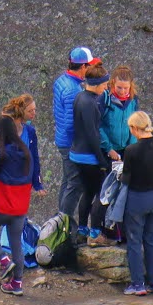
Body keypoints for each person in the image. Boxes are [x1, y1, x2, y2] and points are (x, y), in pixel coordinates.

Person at [0, 113, 37, 295]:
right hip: (20, 208)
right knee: (16, 242)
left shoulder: (1, 154)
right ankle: (16, 284)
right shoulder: (25, 152)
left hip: (1, 205)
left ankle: (3, 260)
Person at [118, 111, 153, 294]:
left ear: (134, 128)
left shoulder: (131, 151)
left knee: (134, 240)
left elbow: (126, 177)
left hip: (137, 198)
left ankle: (138, 284)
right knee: (152, 238)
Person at [52, 46, 93, 231]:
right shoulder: (73, 91)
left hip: (62, 140)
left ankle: (60, 218)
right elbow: (71, 124)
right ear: (82, 66)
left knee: (67, 181)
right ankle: (64, 225)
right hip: (70, 144)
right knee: (75, 183)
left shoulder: (61, 81)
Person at [70, 63, 111, 246]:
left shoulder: (80, 97)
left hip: (77, 154)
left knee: (87, 192)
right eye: (104, 84)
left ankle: (82, 229)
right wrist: (101, 160)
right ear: (96, 83)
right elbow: (92, 133)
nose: (106, 87)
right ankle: (95, 232)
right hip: (89, 157)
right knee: (101, 193)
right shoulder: (90, 103)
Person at [101, 65, 140, 171]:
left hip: (127, 150)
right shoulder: (105, 99)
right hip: (108, 151)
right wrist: (109, 149)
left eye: (126, 88)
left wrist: (131, 148)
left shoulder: (133, 100)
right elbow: (98, 125)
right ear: (113, 82)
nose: (122, 91)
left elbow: (135, 125)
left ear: (131, 86)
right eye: (119, 87)